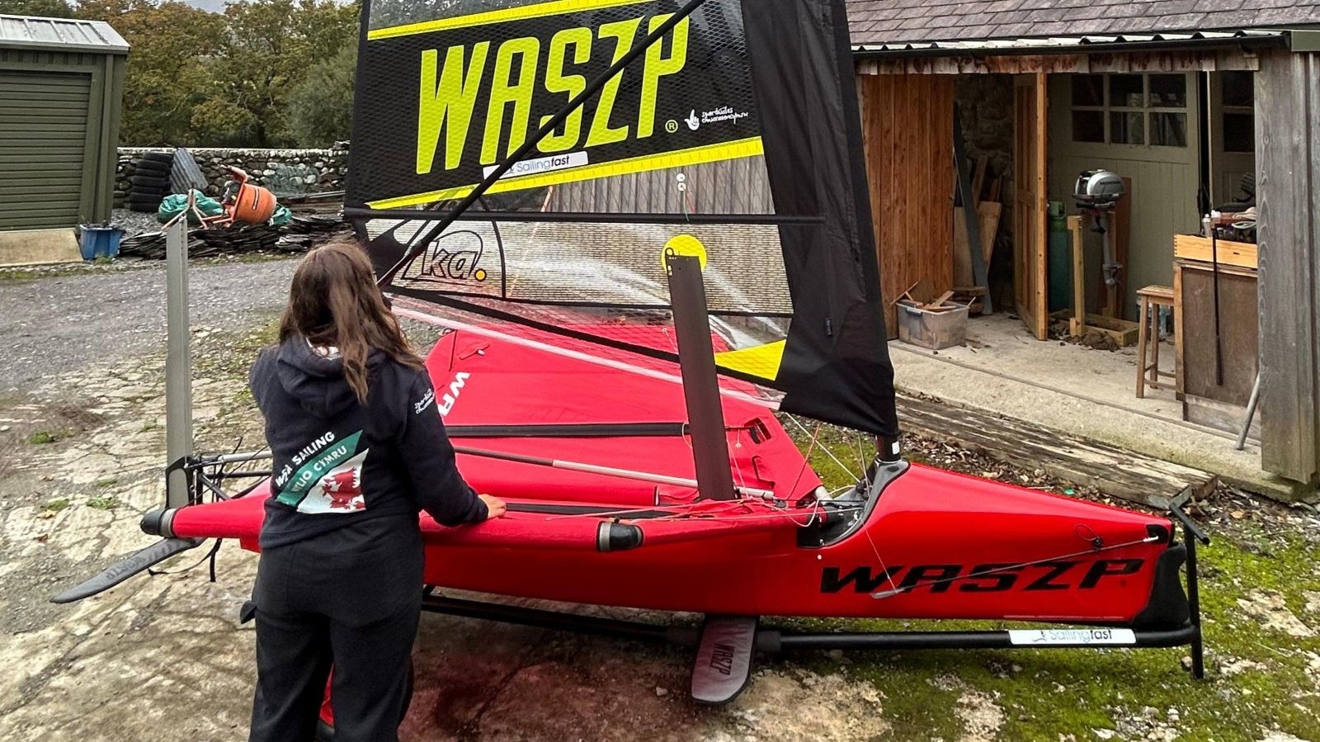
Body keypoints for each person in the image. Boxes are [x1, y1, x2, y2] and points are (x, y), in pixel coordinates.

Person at [246, 239, 506, 742]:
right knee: (364, 719)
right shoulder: (401, 376)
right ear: (369, 296)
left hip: (285, 568)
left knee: (278, 716)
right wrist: (477, 509)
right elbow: (439, 490)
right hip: (372, 574)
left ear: (299, 299)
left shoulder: (268, 368)